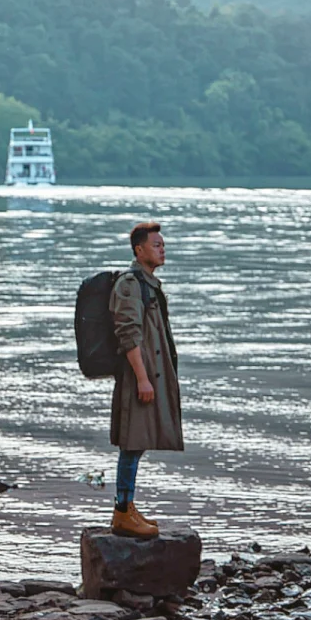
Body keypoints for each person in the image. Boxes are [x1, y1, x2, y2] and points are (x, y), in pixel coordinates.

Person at [108, 220, 183, 538]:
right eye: (156, 245)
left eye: (163, 244)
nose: (162, 249)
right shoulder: (130, 284)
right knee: (132, 442)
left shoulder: (147, 283)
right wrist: (142, 379)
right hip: (137, 376)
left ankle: (127, 507)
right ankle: (123, 512)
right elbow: (128, 334)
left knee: (137, 444)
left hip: (148, 374)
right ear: (139, 250)